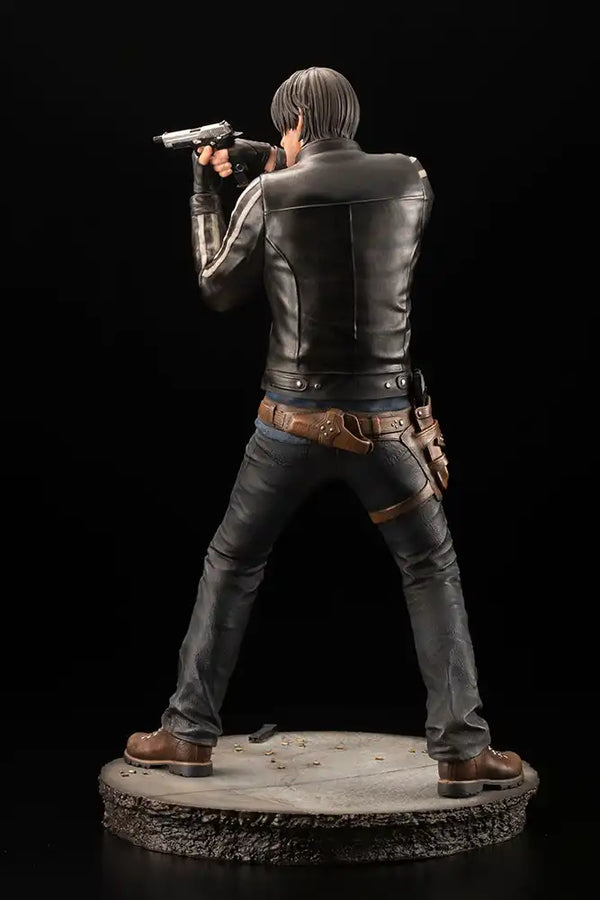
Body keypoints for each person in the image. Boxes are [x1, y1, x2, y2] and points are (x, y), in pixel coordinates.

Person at [124, 67, 523, 798]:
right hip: (389, 427)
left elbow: (217, 286)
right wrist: (268, 160)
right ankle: (464, 749)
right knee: (430, 569)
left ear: (298, 120)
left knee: (232, 564)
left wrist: (208, 188)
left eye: (285, 127)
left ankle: (186, 734)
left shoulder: (268, 196)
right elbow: (334, 191)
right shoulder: (410, 178)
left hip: (290, 424)